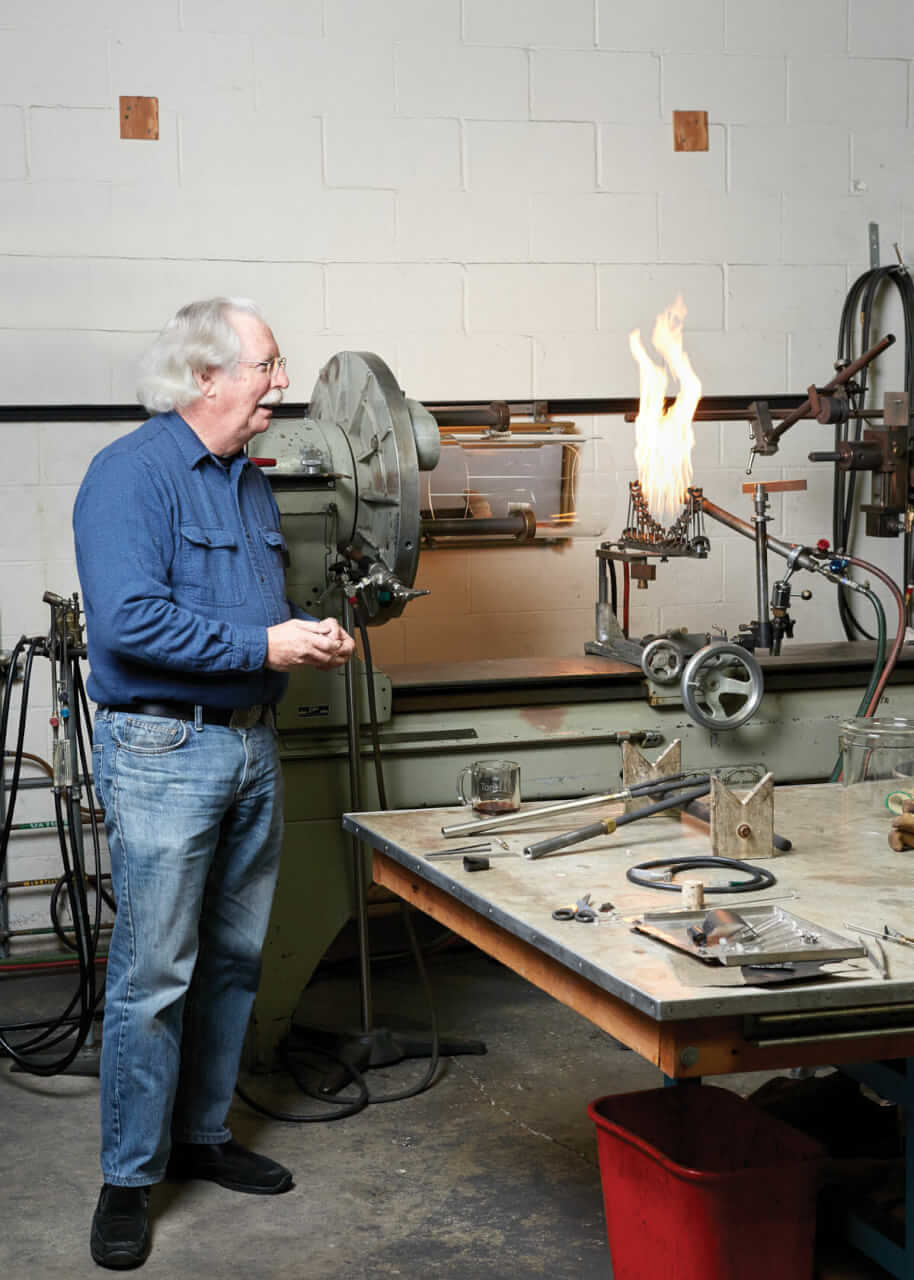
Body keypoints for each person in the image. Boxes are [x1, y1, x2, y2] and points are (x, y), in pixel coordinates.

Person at [73, 298, 355, 1270]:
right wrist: (261, 640)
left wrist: (299, 639)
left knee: (234, 957)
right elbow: (128, 623)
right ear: (206, 377)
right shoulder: (130, 475)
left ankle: (200, 1133)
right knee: (155, 974)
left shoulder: (244, 480)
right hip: (161, 749)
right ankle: (128, 1174)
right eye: (268, 364)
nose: (282, 381)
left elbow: (245, 610)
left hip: (245, 741)